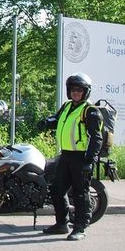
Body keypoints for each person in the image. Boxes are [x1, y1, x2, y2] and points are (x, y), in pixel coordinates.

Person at [41, 72, 102, 241]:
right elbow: (57, 120)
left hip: (81, 157)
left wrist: (89, 160)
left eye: (79, 90)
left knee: (80, 193)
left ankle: (80, 228)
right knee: (57, 189)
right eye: (73, 89)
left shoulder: (90, 111)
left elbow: (96, 138)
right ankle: (62, 224)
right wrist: (46, 123)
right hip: (66, 155)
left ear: (85, 92)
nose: (76, 93)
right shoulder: (67, 106)